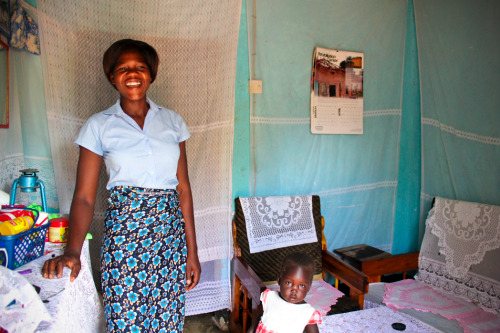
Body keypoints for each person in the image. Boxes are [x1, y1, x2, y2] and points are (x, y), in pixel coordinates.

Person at [42, 39, 201, 332]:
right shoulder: (99, 126)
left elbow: (183, 190)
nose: (132, 74)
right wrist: (72, 252)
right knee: (126, 318)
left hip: (170, 239)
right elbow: (85, 198)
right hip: (125, 239)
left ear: (151, 74)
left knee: (167, 319)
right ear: (112, 78)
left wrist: (192, 252)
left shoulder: (172, 122)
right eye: (123, 68)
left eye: (140, 67)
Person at [251, 252, 321, 333]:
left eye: (301, 285)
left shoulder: (307, 313)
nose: (294, 290)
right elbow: (261, 318)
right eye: (289, 283)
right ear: (279, 280)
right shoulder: (270, 297)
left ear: (309, 287)